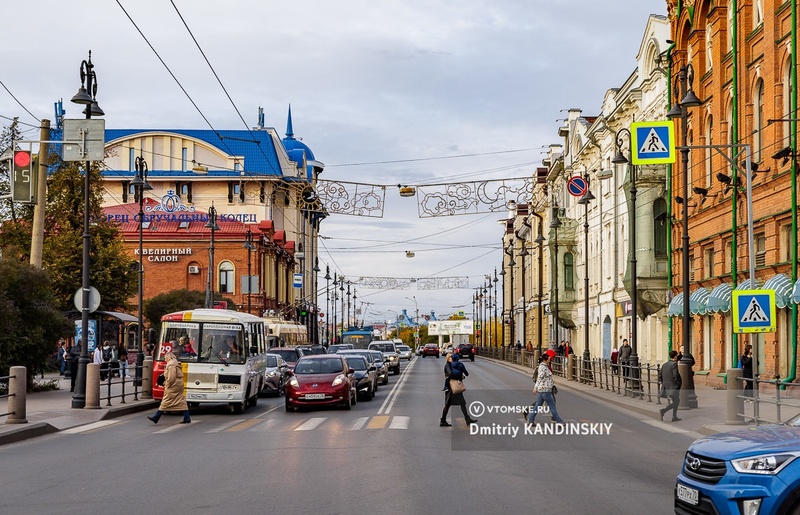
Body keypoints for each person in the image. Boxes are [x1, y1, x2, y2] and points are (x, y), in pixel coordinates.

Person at [147, 352, 191, 424]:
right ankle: (187, 417)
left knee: (166, 400)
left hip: (173, 385)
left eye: (165, 358)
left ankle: (156, 417)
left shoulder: (171, 364)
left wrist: (167, 384)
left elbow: (171, 377)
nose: (165, 359)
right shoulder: (175, 362)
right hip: (179, 383)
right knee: (181, 401)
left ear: (168, 357)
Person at [527, 349, 564, 425]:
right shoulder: (543, 367)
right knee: (552, 406)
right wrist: (535, 388)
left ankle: (530, 420)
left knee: (537, 406)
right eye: (549, 358)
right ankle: (559, 421)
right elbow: (540, 378)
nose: (550, 359)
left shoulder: (544, 366)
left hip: (543, 389)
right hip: (545, 390)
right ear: (545, 359)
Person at [440, 354, 477, 427]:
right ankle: (443, 420)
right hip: (451, 387)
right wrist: (460, 376)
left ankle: (467, 419)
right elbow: (450, 374)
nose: (451, 359)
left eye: (452, 357)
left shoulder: (451, 365)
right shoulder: (448, 365)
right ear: (448, 358)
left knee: (462, 403)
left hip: (454, 386)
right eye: (450, 357)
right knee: (448, 404)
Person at [658, 350, 682, 422]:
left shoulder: (664, 365)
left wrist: (664, 383)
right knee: (676, 401)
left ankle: (674, 416)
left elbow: (660, 376)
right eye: (677, 355)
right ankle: (664, 411)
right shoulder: (674, 364)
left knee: (676, 401)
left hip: (666, 386)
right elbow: (676, 375)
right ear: (675, 356)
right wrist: (678, 384)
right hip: (673, 386)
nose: (677, 357)